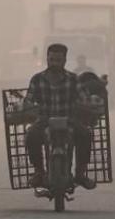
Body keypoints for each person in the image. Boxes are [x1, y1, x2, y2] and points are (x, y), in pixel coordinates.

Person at [23, 43, 97, 190]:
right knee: (31, 135)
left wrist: (91, 103)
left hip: (69, 120)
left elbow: (85, 98)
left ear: (64, 61)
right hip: (44, 120)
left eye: (58, 60)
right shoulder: (37, 79)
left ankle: (80, 174)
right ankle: (39, 172)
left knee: (86, 135)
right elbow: (28, 100)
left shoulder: (73, 79)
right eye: (51, 60)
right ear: (47, 59)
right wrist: (27, 107)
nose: (54, 63)